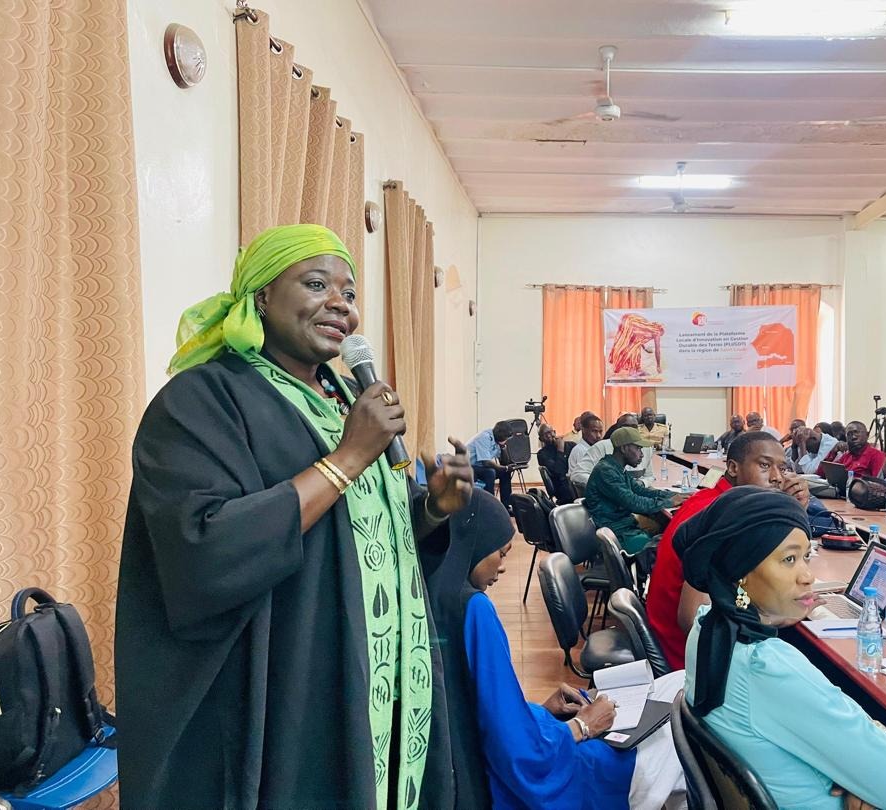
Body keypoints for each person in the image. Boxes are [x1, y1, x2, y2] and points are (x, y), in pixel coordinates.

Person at [115, 224, 474, 809]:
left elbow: (358, 540)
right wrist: (349, 457)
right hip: (288, 679)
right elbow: (204, 547)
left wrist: (432, 507)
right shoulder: (202, 401)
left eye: (350, 294)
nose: (342, 306)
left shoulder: (343, 398)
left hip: (380, 670)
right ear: (259, 297)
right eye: (316, 284)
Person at [422, 488, 687, 810]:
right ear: (475, 544)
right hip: (516, 780)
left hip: (479, 762)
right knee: (666, 739)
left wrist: (539, 712)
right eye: (501, 554)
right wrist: (581, 726)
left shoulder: (434, 597)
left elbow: (481, 711)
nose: (502, 566)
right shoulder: (475, 609)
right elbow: (514, 749)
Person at [677, 487, 886, 810]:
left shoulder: (707, 627)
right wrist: (876, 738)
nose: (808, 576)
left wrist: (856, 758)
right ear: (741, 573)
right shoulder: (769, 668)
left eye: (805, 557)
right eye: (788, 560)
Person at [646, 431, 810, 670]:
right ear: (733, 468)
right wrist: (769, 619)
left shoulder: (719, 502)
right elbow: (694, 620)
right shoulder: (720, 518)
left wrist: (785, 513)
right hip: (691, 657)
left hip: (688, 640)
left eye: (782, 468)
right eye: (764, 465)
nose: (776, 478)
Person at [585, 427, 684, 576]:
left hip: (625, 527)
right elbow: (634, 502)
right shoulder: (606, 471)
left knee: (667, 536)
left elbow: (641, 491)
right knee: (669, 549)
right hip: (617, 535)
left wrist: (672, 495)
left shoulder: (616, 468)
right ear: (624, 448)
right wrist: (669, 503)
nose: (641, 454)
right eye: (638, 448)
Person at [468, 421, 514, 508]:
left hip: (480, 467)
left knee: (505, 473)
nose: (506, 440)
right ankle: (490, 505)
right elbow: (486, 462)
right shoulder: (484, 437)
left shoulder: (497, 441)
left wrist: (503, 448)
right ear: (499, 433)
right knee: (490, 472)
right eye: (505, 437)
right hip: (468, 467)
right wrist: (504, 468)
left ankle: (506, 505)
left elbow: (504, 462)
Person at [537, 423, 575, 504]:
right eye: (545, 434)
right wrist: (560, 451)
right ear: (541, 439)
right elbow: (558, 471)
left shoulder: (570, 445)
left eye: (550, 432)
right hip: (563, 488)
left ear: (554, 432)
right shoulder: (542, 454)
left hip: (574, 480)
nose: (549, 436)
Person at [568, 413, 605, 493]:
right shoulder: (581, 451)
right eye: (594, 431)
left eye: (600, 432)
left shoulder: (594, 449)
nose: (598, 436)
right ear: (584, 430)